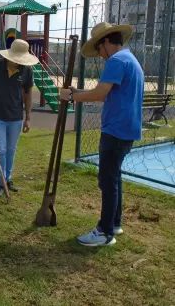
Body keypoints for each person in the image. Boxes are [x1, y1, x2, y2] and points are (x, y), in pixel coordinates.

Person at [60, 22, 144, 247]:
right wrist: (76, 92)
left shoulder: (116, 61)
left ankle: (105, 232)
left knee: (107, 181)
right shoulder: (131, 60)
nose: (99, 55)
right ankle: (114, 223)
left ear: (106, 42)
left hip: (115, 129)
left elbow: (99, 94)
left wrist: (71, 97)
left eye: (98, 49)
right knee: (113, 178)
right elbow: (109, 94)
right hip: (127, 128)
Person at [0, 39, 39, 197]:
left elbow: (28, 94)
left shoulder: (27, 71)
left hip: (16, 118)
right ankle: (0, 183)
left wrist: (28, 117)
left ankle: (8, 179)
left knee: (11, 150)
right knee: (1, 151)